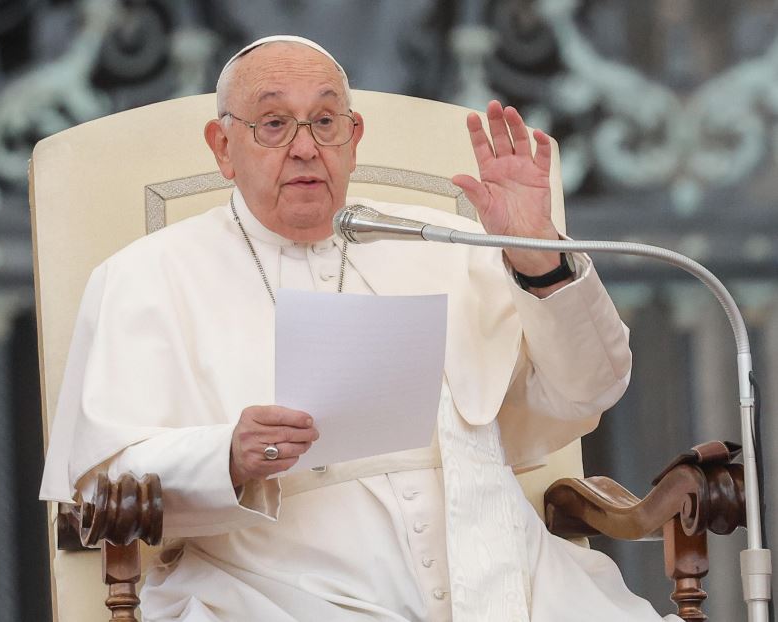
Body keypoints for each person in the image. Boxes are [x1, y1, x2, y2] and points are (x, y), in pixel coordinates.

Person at [40, 35, 680, 622]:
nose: (304, 146)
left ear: (354, 136)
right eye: (272, 123)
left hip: (510, 580)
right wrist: (226, 456)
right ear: (221, 147)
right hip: (274, 592)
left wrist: (538, 256)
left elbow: (589, 389)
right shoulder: (145, 276)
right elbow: (101, 483)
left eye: (324, 121)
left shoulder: (447, 241)